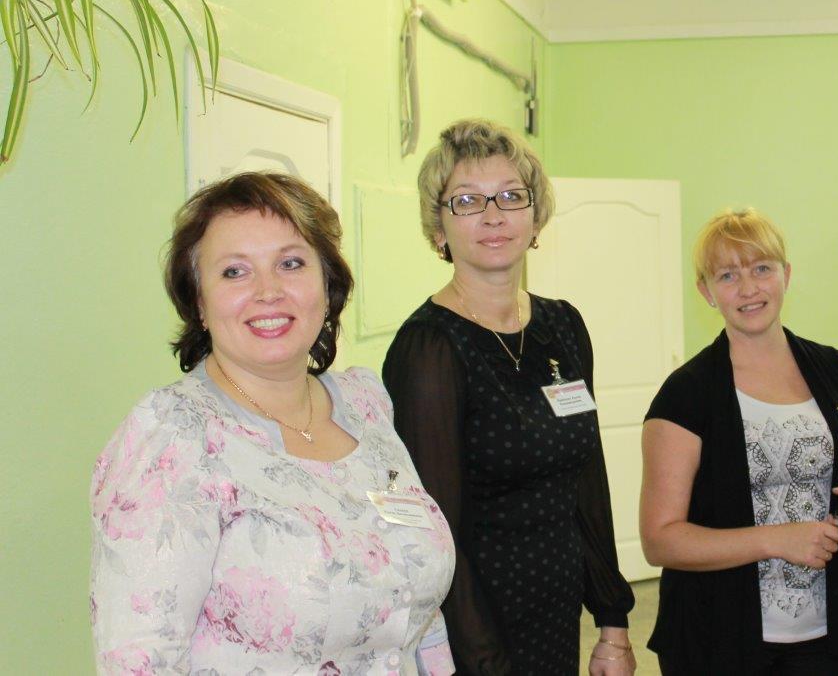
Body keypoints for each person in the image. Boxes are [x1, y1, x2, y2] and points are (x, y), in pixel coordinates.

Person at [90, 172, 456, 675]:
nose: (268, 291)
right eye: (234, 272)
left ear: (327, 284)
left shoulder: (365, 403)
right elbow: (139, 662)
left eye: (290, 263)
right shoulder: (173, 436)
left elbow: (420, 619)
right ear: (199, 302)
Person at [383, 119, 635, 676]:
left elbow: (587, 480)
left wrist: (613, 619)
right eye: (467, 200)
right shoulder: (429, 348)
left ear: (535, 217)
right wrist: (484, 660)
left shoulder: (562, 325)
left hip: (556, 610)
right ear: (439, 228)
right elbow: (437, 533)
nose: (493, 215)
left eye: (510, 196)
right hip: (476, 625)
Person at [640, 208, 838, 675]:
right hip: (718, 638)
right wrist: (776, 540)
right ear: (706, 292)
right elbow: (660, 541)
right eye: (728, 275)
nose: (748, 288)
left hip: (830, 636)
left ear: (786, 275)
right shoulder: (685, 394)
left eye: (761, 268)